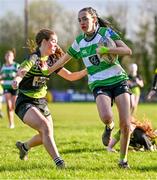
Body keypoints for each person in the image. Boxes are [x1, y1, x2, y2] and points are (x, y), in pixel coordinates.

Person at [44, 7, 132, 168]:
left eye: (85, 18)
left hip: (119, 79)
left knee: (126, 124)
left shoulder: (106, 33)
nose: (82, 22)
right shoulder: (79, 42)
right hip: (98, 83)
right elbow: (63, 60)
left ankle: (123, 161)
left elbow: (127, 50)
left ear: (94, 19)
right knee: (106, 116)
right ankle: (109, 126)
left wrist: (107, 50)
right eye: (79, 20)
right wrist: (47, 71)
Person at [12, 29, 87, 169]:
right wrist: (17, 79)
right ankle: (59, 162)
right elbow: (22, 70)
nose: (56, 45)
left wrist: (88, 69)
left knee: (46, 134)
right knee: (45, 128)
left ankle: (24, 147)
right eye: (53, 41)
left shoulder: (52, 60)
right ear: (44, 42)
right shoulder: (34, 58)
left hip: (41, 102)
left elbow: (70, 76)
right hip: (25, 102)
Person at [0, 50, 20, 128]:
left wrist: (14, 75)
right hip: (6, 87)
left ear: (13, 57)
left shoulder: (16, 66)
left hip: (14, 87)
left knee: (14, 106)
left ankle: (21, 118)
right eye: (7, 55)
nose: (8, 57)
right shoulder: (3, 66)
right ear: (5, 57)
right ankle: (11, 123)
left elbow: (20, 75)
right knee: (9, 105)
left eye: (10, 55)